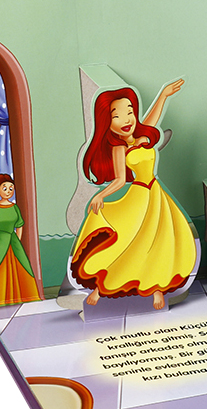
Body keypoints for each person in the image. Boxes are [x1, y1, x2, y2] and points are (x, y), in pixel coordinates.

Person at [70, 81, 197, 309]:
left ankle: (157, 288)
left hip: (156, 194)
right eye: (117, 116)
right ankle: (100, 288)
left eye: (129, 112)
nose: (126, 119)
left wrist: (164, 95)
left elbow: (152, 118)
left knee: (159, 242)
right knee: (127, 242)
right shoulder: (119, 148)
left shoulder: (141, 134)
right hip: (138, 197)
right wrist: (101, 195)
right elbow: (120, 179)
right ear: (107, 122)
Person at [0, 174, 41, 307]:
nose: (8, 191)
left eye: (11, 188)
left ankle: (21, 297)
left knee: (21, 267)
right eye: (5, 188)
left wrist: (16, 240)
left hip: (13, 241)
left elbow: (19, 224)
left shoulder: (14, 207)